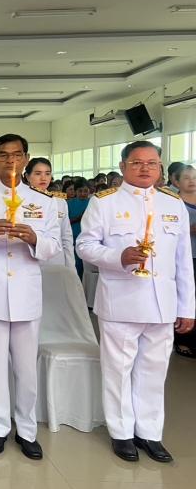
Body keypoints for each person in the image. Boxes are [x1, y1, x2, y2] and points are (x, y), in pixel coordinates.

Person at [77, 141, 195, 463]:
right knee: (118, 371)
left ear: (160, 167)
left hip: (162, 304)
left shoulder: (173, 204)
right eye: (137, 162)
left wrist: (187, 307)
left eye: (152, 163)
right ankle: (122, 433)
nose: (145, 168)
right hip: (121, 301)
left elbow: (183, 260)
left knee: (154, 371)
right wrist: (118, 256)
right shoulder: (105, 202)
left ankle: (150, 433)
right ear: (123, 166)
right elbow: (85, 245)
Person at [0, 134, 61, 460]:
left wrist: (34, 239)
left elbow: (53, 247)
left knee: (26, 369)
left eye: (17, 155)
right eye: (3, 155)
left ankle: (27, 430)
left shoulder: (44, 202)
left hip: (26, 294)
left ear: (26, 158)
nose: (11, 161)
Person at [24, 158, 75, 269]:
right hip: (28, 262)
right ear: (27, 176)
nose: (43, 178)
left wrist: (71, 268)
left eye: (47, 174)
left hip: (55, 263)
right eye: (38, 174)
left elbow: (66, 237)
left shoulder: (60, 202)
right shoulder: (19, 200)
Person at [174, 165, 196, 357]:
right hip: (184, 258)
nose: (192, 181)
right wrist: (190, 230)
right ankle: (183, 339)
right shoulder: (173, 203)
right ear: (176, 181)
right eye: (187, 177)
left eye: (194, 177)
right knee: (185, 297)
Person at [68, 178, 90, 277]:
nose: (83, 194)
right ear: (75, 191)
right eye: (80, 191)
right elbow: (65, 222)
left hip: (88, 238)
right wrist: (79, 218)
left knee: (87, 265)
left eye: (85, 191)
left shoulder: (92, 203)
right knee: (77, 265)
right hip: (74, 237)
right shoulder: (69, 203)